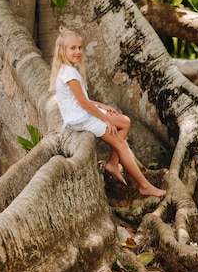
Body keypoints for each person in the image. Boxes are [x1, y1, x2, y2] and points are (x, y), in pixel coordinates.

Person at [49, 28, 167, 197]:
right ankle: (144, 186)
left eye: (80, 47)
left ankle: (113, 163)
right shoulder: (69, 72)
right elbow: (82, 103)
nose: (77, 52)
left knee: (124, 122)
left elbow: (81, 99)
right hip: (80, 119)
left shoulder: (68, 69)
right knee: (120, 143)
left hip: (83, 112)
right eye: (72, 48)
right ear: (62, 51)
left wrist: (102, 106)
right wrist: (106, 119)